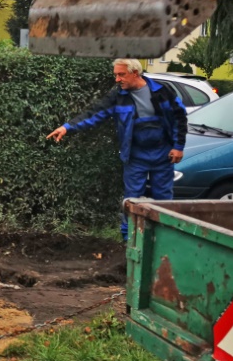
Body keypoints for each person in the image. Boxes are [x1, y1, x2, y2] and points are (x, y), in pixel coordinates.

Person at [46, 59, 187, 240]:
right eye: (116, 75)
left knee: (163, 199)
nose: (117, 79)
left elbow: (179, 117)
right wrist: (67, 127)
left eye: (121, 74)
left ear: (135, 73)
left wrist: (178, 146)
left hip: (163, 154)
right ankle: (128, 239)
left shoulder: (162, 92)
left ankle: (164, 239)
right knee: (131, 199)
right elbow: (93, 113)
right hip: (135, 156)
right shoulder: (118, 97)